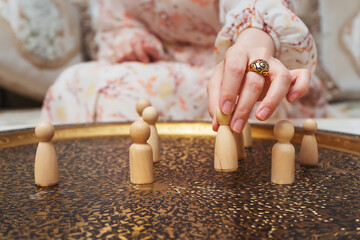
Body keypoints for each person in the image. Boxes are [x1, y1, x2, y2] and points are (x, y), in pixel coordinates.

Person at [41, 0, 327, 133]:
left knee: (238, 95)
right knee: (74, 82)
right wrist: (131, 42)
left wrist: (255, 46)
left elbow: (256, 8)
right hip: (155, 67)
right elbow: (117, 25)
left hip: (228, 66)